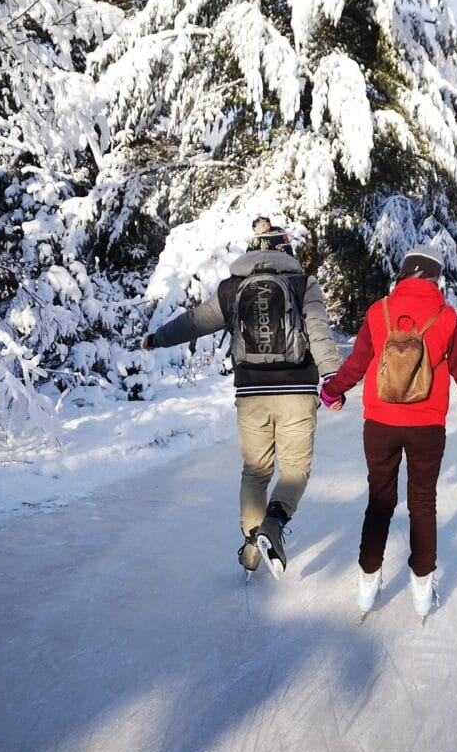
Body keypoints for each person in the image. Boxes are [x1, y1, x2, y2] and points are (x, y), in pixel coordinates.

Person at [142, 217, 341, 578]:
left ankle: (252, 547)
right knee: (294, 469)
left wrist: (156, 338)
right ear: (287, 253)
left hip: (251, 393)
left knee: (256, 471)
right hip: (297, 391)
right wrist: (332, 376)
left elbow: (194, 322)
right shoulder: (302, 283)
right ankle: (274, 526)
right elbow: (318, 331)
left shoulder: (231, 289)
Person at [318, 244, 457, 618]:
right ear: (435, 278)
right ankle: (421, 591)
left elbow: (357, 363)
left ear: (403, 274)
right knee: (422, 503)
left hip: (380, 424)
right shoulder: (446, 318)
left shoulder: (378, 311)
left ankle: (367, 587)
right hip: (427, 428)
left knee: (379, 502)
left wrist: (332, 391)